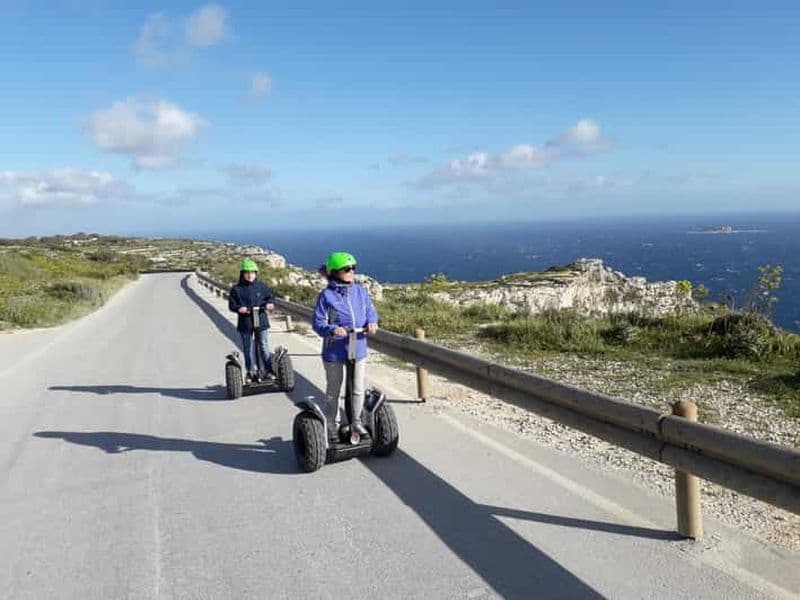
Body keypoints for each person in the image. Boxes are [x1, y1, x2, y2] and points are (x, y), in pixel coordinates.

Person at [312, 252, 378, 438]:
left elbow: (370, 310)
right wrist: (332, 329)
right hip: (334, 350)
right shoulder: (326, 296)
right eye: (346, 269)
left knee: (357, 389)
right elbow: (318, 323)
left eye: (353, 268)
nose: (351, 272)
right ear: (334, 272)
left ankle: (356, 422)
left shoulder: (360, 291)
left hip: (358, 346)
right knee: (334, 390)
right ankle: (331, 424)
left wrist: (372, 322)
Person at [228, 258, 276, 382]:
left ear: (256, 273)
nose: (250, 275)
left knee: (264, 346)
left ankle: (268, 371)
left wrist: (270, 304)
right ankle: (250, 372)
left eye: (252, 272)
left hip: (261, 320)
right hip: (246, 323)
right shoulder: (236, 289)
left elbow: (270, 297)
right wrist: (239, 309)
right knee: (248, 348)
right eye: (247, 272)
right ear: (242, 274)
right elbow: (232, 305)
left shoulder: (262, 286)